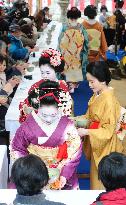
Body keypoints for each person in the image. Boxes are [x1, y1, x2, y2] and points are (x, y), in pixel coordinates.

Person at [11, 80, 82, 190]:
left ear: (59, 108)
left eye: (53, 115)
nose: (48, 119)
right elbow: (17, 148)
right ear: (37, 108)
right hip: (34, 173)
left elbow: (75, 150)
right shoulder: (27, 126)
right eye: (44, 115)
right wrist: (29, 169)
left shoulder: (67, 125)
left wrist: (64, 174)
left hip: (60, 171)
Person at [75, 61, 123, 189]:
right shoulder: (98, 94)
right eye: (88, 81)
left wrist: (87, 132)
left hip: (106, 145)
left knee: (101, 178)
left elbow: (108, 131)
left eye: (92, 81)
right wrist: (75, 120)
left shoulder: (109, 101)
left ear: (102, 80)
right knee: (95, 173)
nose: (89, 85)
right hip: (98, 139)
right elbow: (89, 116)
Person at [19, 48, 72, 123]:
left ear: (56, 70)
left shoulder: (62, 85)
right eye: (42, 72)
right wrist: (28, 108)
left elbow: (66, 108)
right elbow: (27, 104)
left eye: (48, 73)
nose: (44, 76)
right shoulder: (37, 85)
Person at [58, 7, 89, 93]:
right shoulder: (81, 27)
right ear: (78, 17)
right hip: (77, 52)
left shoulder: (65, 27)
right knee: (76, 66)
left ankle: (68, 84)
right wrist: (84, 50)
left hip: (66, 52)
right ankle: (74, 84)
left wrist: (61, 50)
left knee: (67, 66)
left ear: (68, 17)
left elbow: (60, 40)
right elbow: (86, 41)